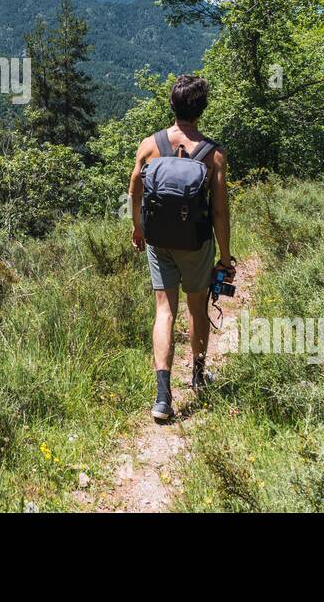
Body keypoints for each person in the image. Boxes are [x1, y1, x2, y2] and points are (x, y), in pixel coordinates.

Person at [128, 74, 234, 421]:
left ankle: (162, 396)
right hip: (195, 243)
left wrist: (138, 228)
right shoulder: (213, 154)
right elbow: (219, 210)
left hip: (159, 241)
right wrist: (225, 254)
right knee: (197, 307)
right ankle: (198, 377)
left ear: (171, 106)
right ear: (201, 110)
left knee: (164, 311)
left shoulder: (150, 145)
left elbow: (135, 190)